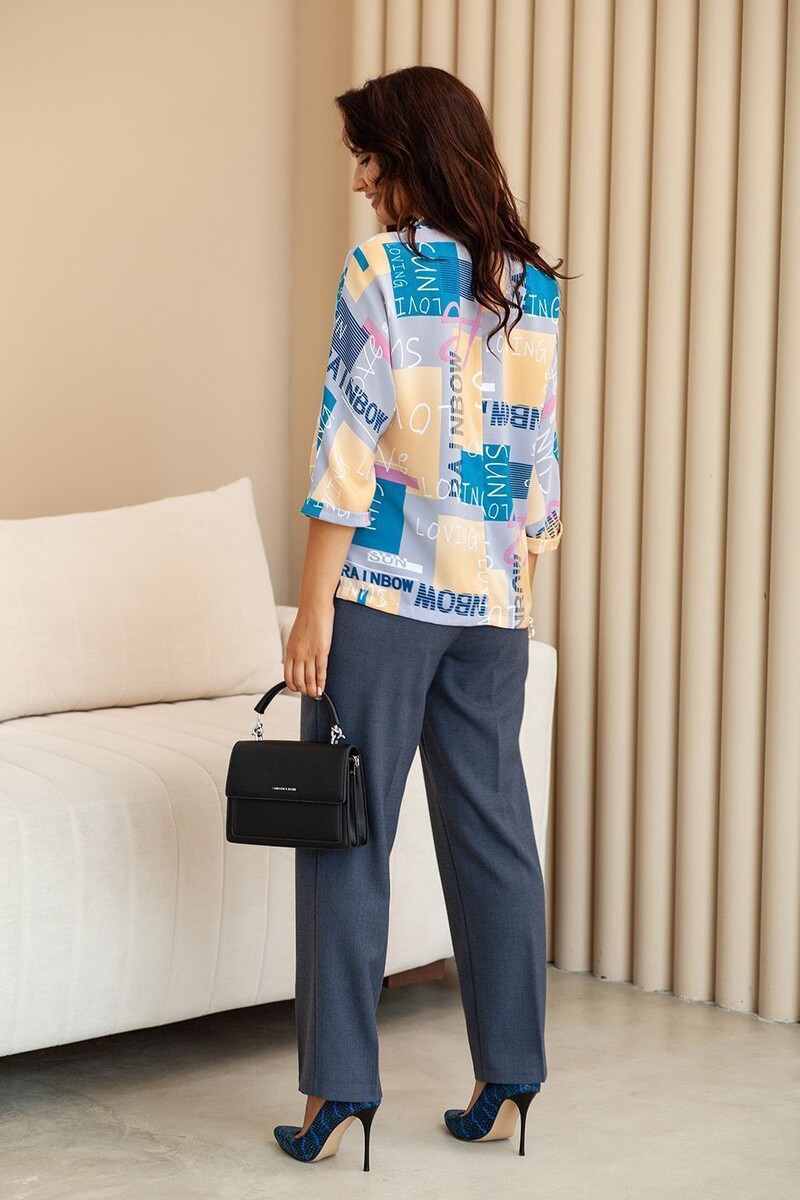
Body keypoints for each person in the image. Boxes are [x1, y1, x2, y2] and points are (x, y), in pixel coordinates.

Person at [273, 64, 567, 1171]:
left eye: (368, 156)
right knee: (495, 834)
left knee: (345, 834)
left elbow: (346, 449)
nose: (359, 179)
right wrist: (506, 577)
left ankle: (337, 1091)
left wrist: (312, 607)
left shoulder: (381, 270)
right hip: (494, 604)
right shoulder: (529, 284)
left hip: (384, 599)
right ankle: (511, 1076)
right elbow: (535, 468)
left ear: (408, 156)